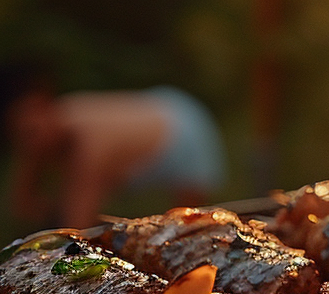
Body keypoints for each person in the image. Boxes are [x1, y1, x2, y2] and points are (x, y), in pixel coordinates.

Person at [1, 68, 227, 229]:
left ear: (44, 107)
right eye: (19, 136)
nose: (30, 145)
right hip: (155, 105)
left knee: (186, 229)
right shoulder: (42, 128)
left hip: (185, 133)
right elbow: (22, 205)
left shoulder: (91, 145)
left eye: (31, 132)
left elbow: (76, 227)